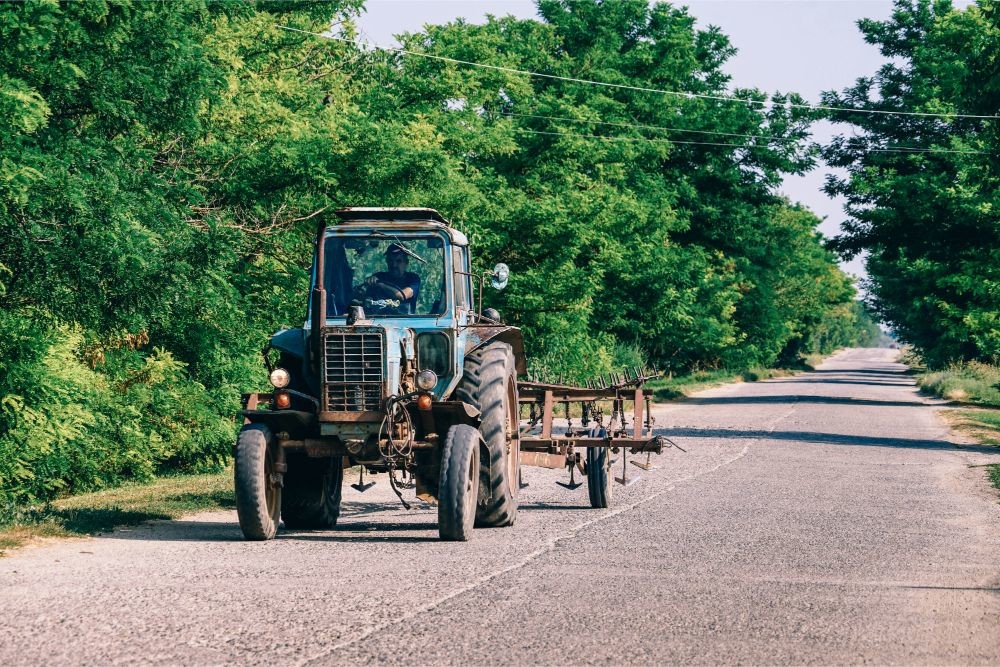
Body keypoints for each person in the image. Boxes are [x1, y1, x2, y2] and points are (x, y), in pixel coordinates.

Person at [363, 243, 421, 313]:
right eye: (390, 261)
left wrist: (381, 284)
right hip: (378, 322)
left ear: (406, 262)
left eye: (398, 261)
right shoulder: (379, 276)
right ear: (387, 262)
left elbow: (403, 296)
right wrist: (369, 282)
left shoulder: (413, 279)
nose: (394, 265)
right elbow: (368, 300)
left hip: (406, 322)